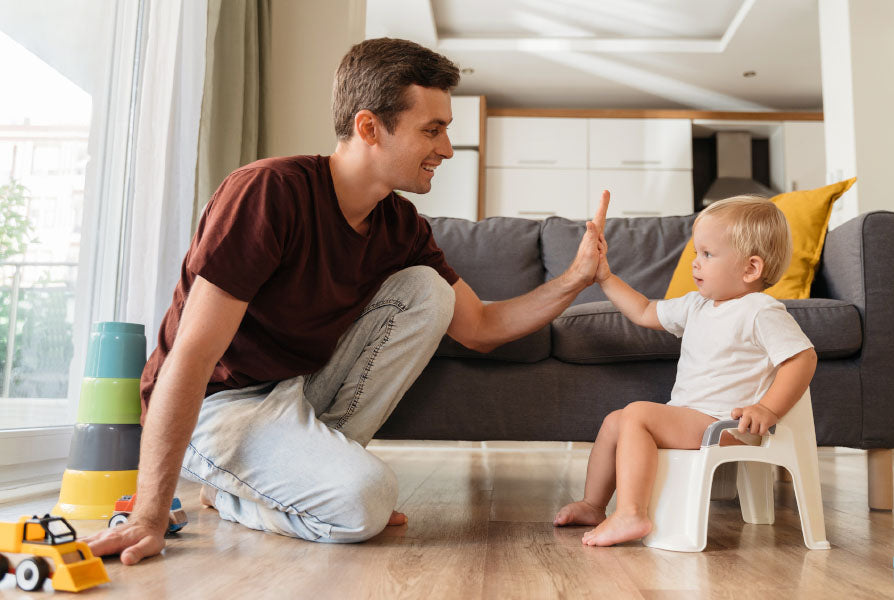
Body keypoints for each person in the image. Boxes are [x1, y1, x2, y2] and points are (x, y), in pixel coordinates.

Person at [85, 37, 610, 565]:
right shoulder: (267, 193)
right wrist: (148, 516)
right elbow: (192, 356)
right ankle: (245, 491)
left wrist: (574, 279)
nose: (447, 148)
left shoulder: (400, 225)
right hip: (218, 407)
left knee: (427, 291)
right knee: (367, 499)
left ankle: (275, 486)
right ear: (368, 128)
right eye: (433, 129)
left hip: (297, 392)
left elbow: (479, 326)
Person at [553, 195, 817, 546]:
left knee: (636, 415)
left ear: (750, 269)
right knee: (616, 420)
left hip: (727, 424)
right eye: (696, 253)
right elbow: (644, 311)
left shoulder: (760, 310)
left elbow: (802, 358)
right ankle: (593, 504)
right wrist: (605, 277)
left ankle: (632, 513)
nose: (696, 263)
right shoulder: (698, 304)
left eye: (707, 255)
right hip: (692, 417)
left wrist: (768, 408)